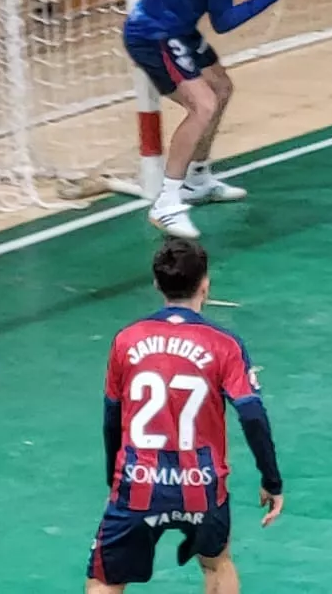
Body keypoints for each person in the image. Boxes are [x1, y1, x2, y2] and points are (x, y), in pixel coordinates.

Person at [87, 238, 283, 594]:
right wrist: (271, 480)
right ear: (205, 284)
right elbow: (252, 414)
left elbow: (111, 417)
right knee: (217, 563)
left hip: (138, 481)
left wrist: (111, 481)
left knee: (105, 580)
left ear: (156, 284)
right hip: (202, 484)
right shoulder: (225, 344)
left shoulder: (126, 340)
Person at [125, 0, 308, 241]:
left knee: (221, 88)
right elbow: (224, 23)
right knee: (203, 105)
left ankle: (197, 179)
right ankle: (166, 202)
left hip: (177, 27)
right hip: (154, 35)